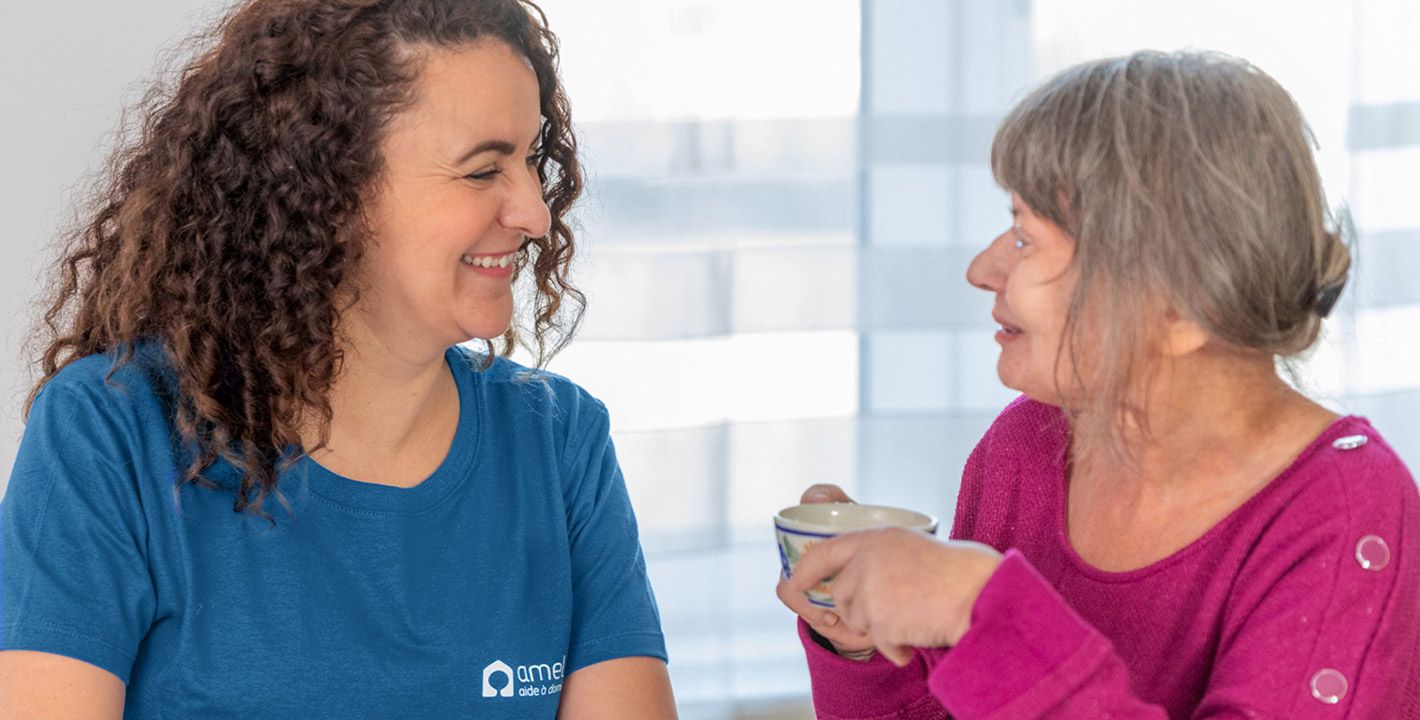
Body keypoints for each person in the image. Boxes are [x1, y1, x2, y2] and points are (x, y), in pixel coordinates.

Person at [0, 1, 676, 718]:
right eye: (483, 171)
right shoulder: (112, 431)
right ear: (333, 191)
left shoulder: (558, 441)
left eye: (530, 160)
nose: (536, 213)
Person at [777, 50, 1420, 719]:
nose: (981, 268)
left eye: (1025, 237)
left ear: (1178, 302)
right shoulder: (1024, 447)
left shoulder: (1345, 513)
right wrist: (871, 641)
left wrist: (981, 615)